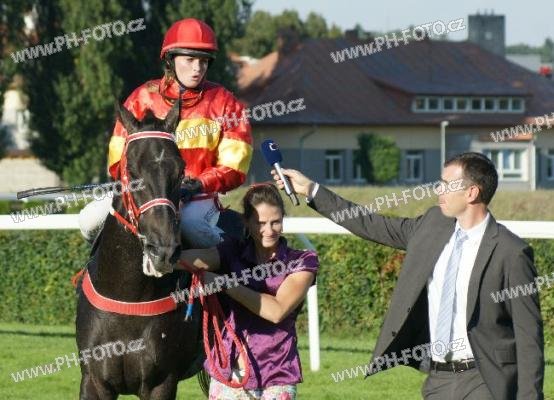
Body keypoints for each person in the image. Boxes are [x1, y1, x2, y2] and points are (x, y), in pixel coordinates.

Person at [272, 152, 544, 400]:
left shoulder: (511, 251)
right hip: (438, 379)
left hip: (485, 379)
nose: (438, 190)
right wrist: (312, 190)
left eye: (446, 184)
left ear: (472, 192)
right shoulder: (432, 224)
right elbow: (372, 224)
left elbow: (529, 335)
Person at [78, 18, 253, 248]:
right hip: (145, 192)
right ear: (170, 60)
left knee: (190, 224)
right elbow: (117, 157)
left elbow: (235, 166)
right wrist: (142, 184)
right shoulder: (142, 97)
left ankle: (231, 260)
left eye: (203, 61)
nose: (197, 68)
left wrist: (198, 184)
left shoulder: (225, 102)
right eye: (190, 60)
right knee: (88, 219)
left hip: (197, 197)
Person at [174, 183, 319, 400]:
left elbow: (277, 311)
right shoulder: (231, 250)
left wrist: (224, 283)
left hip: (277, 376)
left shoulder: (302, 261)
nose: (269, 230)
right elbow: (184, 260)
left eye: (275, 222)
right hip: (228, 371)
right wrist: (162, 244)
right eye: (261, 223)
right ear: (247, 222)